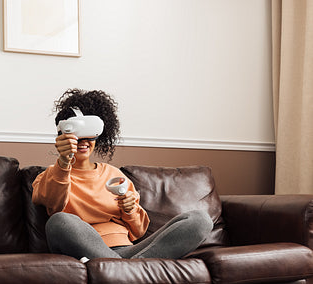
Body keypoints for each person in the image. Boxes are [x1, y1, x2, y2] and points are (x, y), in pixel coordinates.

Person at [32, 88, 213, 261]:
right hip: (86, 249)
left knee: (200, 219)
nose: (84, 141)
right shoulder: (51, 175)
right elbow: (54, 205)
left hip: (130, 250)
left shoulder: (113, 174)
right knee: (60, 221)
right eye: (78, 134)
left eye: (90, 134)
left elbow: (139, 231)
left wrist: (129, 210)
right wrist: (64, 161)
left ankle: (121, 267)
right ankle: (128, 269)